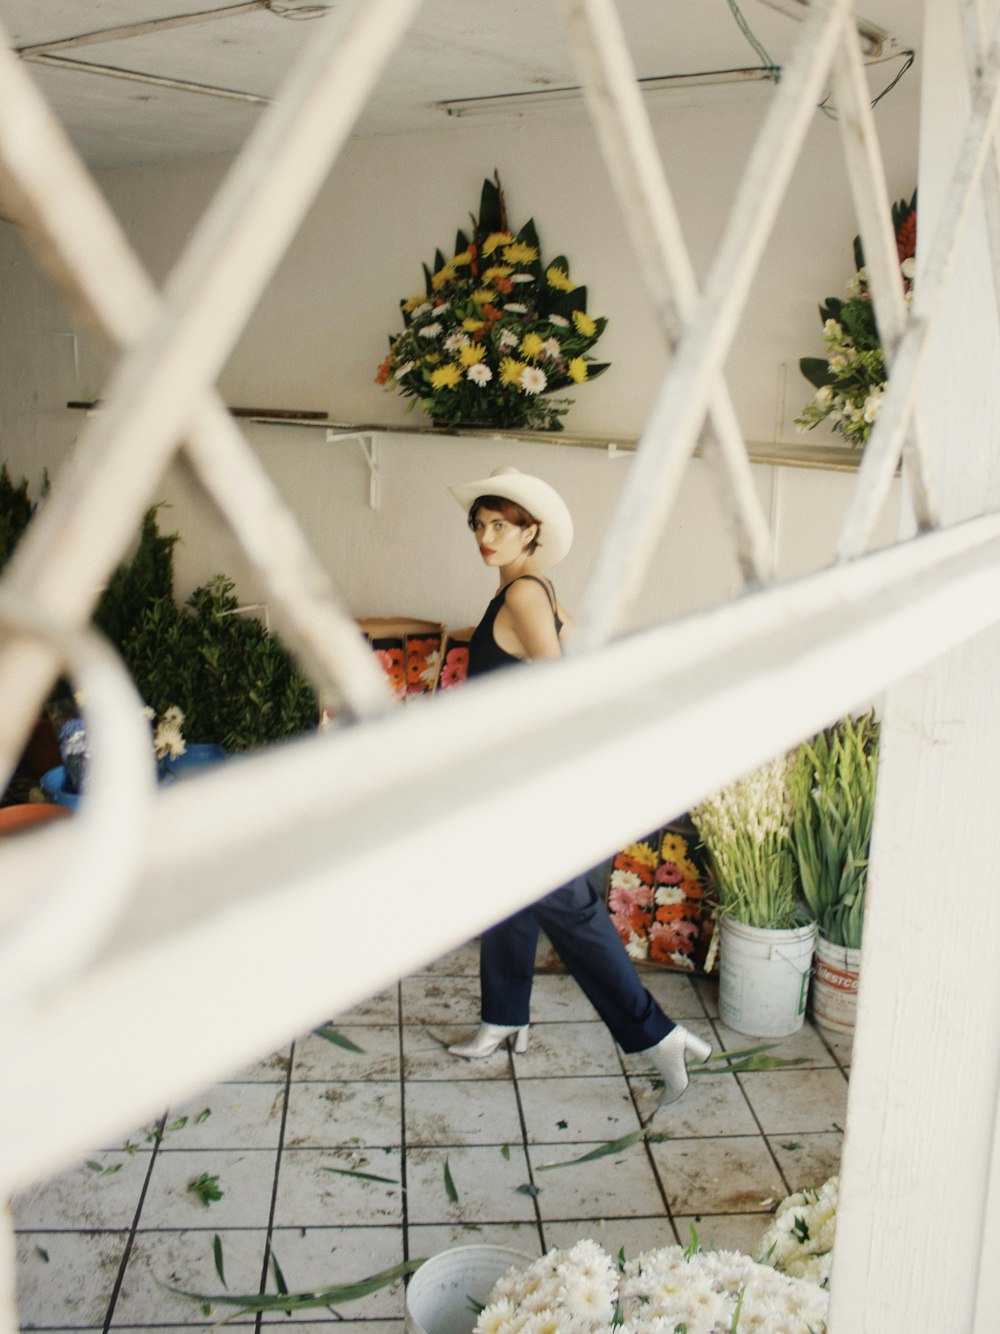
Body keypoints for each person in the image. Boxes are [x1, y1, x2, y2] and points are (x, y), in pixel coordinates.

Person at [445, 465, 711, 1114]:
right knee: (507, 895)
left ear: (530, 531)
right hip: (513, 776)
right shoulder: (536, 589)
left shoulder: (524, 598)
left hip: (528, 781)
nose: (486, 535)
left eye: (500, 525)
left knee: (568, 906)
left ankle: (657, 1035)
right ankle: (506, 1016)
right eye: (479, 524)